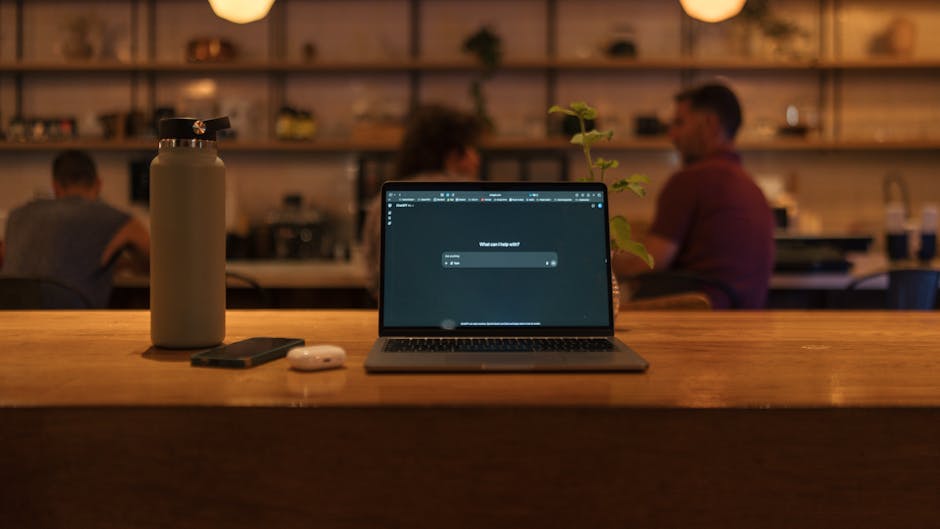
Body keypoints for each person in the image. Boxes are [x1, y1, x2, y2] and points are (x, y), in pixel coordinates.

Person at [613, 83, 774, 309]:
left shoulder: (692, 179)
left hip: (699, 316)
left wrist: (599, 261)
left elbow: (648, 262)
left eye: (679, 123)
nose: (671, 134)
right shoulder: (750, 185)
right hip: (746, 324)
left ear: (709, 124)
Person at [362, 104, 483, 298]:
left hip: (402, 319)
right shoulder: (478, 198)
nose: (477, 158)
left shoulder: (382, 202)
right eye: (471, 149)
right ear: (453, 154)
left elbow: (373, 279)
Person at [2, 150, 150, 308]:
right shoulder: (116, 218)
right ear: (98, 184)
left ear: (56, 186)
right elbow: (156, 261)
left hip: (6, 308)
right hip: (65, 312)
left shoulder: (17, 214)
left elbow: (8, 256)